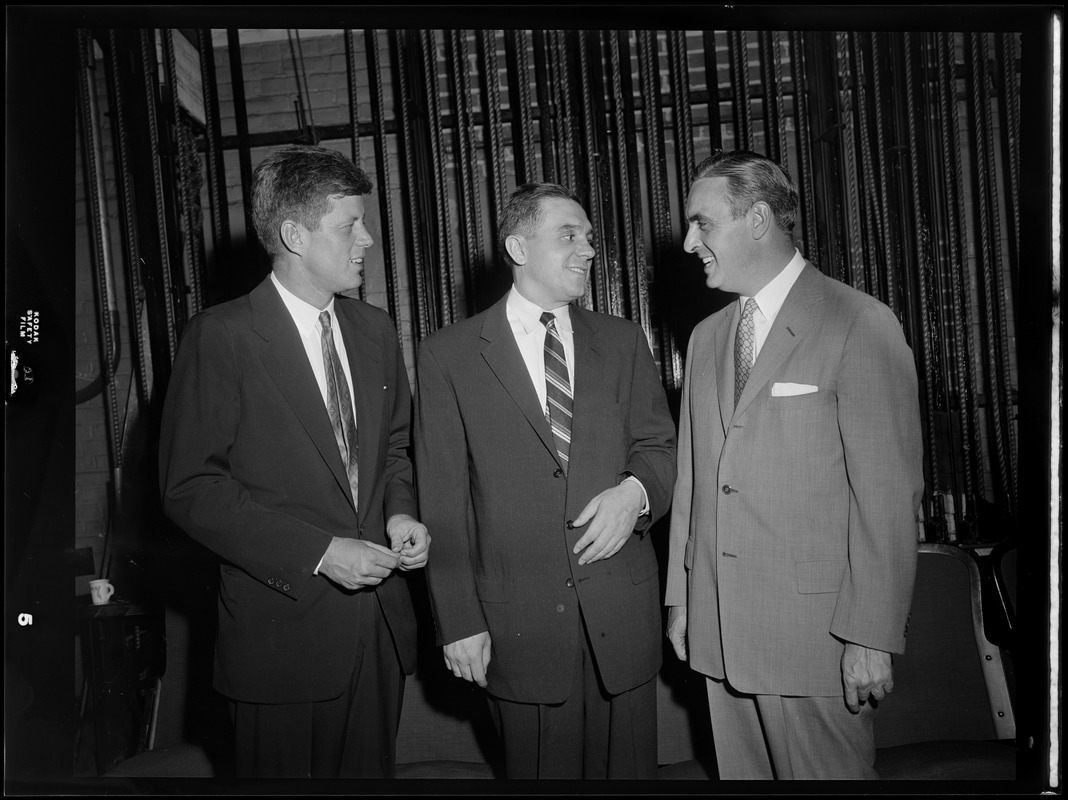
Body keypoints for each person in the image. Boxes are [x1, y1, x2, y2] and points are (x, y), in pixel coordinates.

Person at [159, 144, 429, 779]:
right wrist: (320, 552)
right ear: (293, 234)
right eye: (349, 226)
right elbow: (190, 486)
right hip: (279, 643)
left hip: (378, 635)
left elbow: (393, 451)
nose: (367, 239)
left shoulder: (375, 331)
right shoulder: (221, 336)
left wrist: (401, 515)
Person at [664, 150, 924, 780]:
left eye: (703, 223)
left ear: (756, 220)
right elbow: (696, 479)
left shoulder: (859, 322)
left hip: (817, 640)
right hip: (719, 633)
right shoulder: (706, 338)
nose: (688, 241)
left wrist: (871, 635)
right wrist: (682, 598)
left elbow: (888, 497)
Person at [414, 183, 677, 780]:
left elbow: (660, 448)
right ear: (517, 245)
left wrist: (635, 493)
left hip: (621, 619)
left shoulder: (624, 341)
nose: (587, 249)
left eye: (589, 237)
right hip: (517, 628)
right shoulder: (449, 355)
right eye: (569, 235)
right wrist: (459, 621)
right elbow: (443, 500)